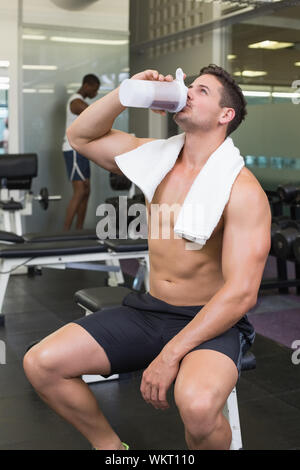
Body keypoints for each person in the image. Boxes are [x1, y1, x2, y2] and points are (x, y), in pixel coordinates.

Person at [23, 65, 271, 450]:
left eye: (201, 91)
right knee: (42, 363)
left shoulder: (243, 190)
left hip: (208, 321)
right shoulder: (155, 157)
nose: (186, 92)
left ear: (226, 115)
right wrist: (127, 91)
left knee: (199, 406)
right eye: (188, 86)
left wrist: (170, 355)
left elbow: (240, 294)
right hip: (148, 310)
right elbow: (80, 136)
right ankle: (111, 449)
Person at [62, 74, 100, 230]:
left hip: (81, 150)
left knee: (86, 190)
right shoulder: (75, 101)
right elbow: (93, 113)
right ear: (86, 86)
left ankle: (79, 231)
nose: (95, 93)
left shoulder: (80, 100)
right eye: (95, 90)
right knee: (80, 190)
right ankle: (65, 232)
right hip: (73, 150)